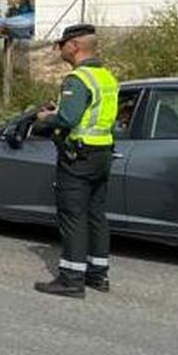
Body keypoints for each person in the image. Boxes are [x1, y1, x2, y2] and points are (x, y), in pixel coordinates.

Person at [33, 23, 119, 298]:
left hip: (77, 157)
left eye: (62, 44)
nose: (60, 49)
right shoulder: (106, 77)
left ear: (74, 46)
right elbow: (91, 114)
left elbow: (68, 119)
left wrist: (47, 118)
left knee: (73, 217)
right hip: (102, 153)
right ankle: (98, 274)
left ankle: (71, 278)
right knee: (96, 215)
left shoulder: (77, 79)